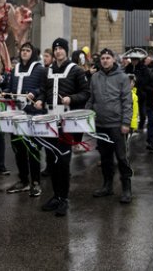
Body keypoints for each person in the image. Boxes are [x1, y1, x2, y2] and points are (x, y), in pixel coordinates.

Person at [35, 38, 90, 216]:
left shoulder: (75, 70)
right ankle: (56, 196)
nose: (58, 51)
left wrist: (70, 99)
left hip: (67, 120)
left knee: (63, 160)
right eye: (55, 49)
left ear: (66, 51)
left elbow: (85, 93)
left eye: (61, 48)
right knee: (51, 160)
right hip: (50, 118)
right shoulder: (47, 70)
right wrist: (40, 99)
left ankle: (64, 199)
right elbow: (43, 90)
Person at [86, 48, 133, 203]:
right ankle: (107, 185)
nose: (105, 60)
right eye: (103, 58)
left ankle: (126, 188)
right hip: (100, 124)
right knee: (105, 158)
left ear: (113, 59)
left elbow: (127, 102)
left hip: (117, 125)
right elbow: (91, 99)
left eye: (108, 57)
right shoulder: (95, 77)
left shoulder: (122, 77)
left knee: (121, 157)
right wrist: (86, 116)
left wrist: (126, 122)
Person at [5, 42, 47, 196]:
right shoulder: (14, 69)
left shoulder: (40, 69)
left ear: (33, 53)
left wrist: (34, 94)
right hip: (16, 114)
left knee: (33, 149)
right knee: (18, 149)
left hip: (33, 114)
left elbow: (44, 89)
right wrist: (4, 92)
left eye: (28, 50)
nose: (24, 52)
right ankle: (23, 180)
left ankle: (35, 182)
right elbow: (10, 88)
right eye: (23, 50)